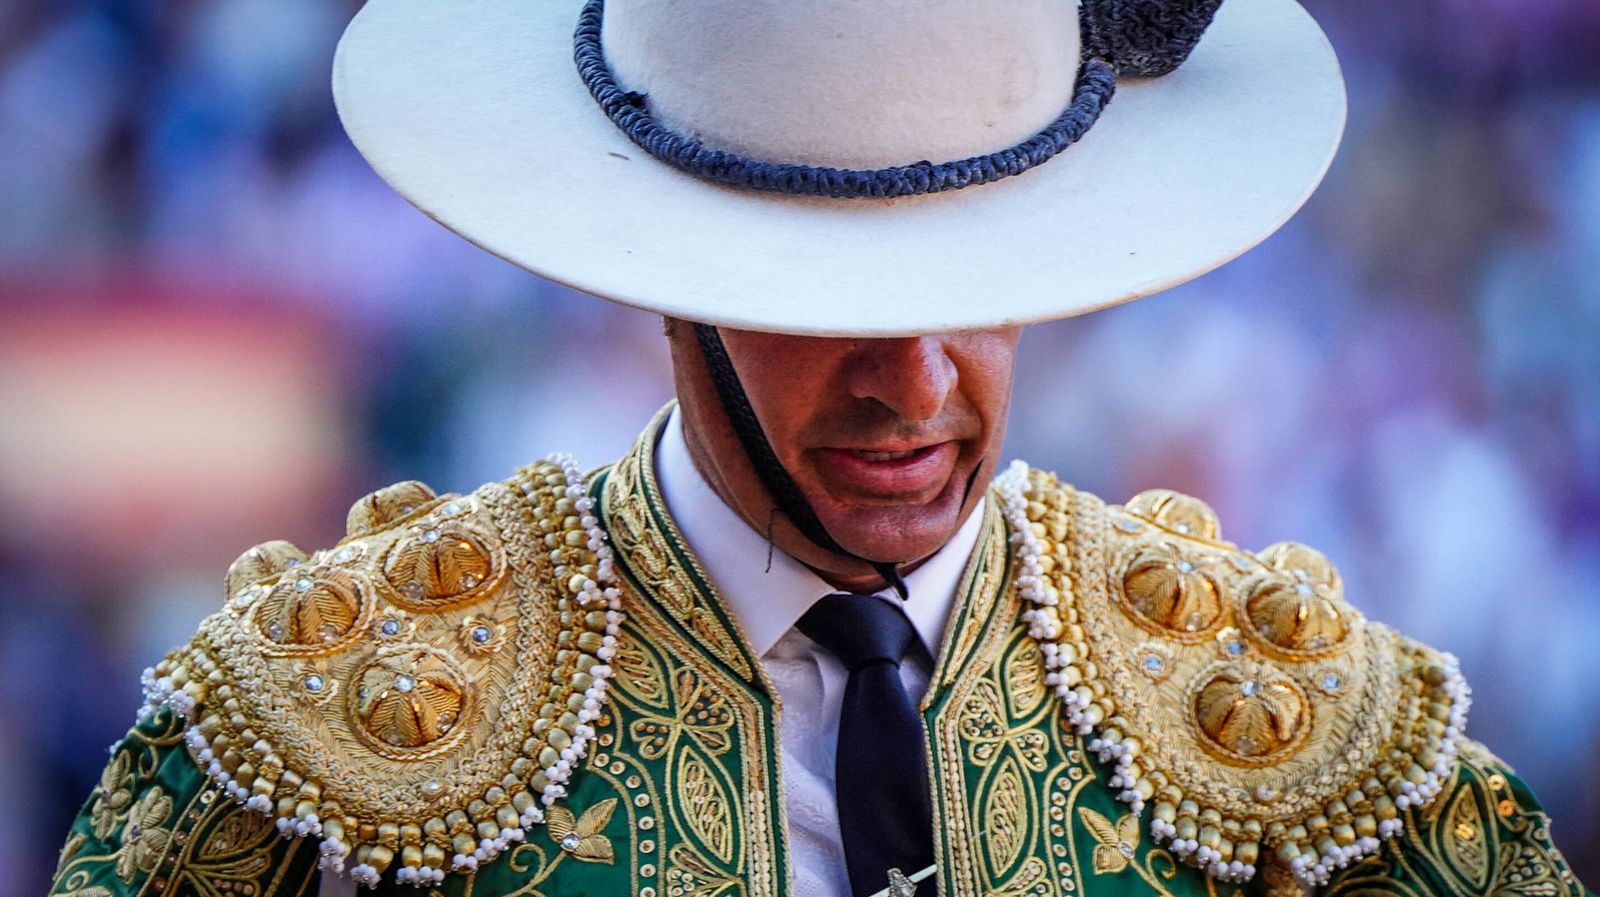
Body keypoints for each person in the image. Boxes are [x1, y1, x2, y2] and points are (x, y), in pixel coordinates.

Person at [49, 0, 1591, 896]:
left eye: (983, 291)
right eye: (828, 303)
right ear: (670, 285)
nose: (917, 383)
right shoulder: (306, 730)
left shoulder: (1307, 730)